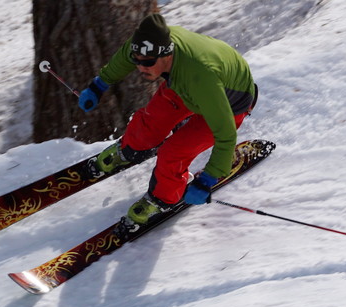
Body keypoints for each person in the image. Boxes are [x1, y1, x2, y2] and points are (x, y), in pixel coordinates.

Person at [78, 13, 258, 228]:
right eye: (138, 61)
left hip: (227, 103)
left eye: (148, 63)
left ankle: (163, 200)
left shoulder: (200, 76)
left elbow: (226, 134)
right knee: (151, 120)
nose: (141, 67)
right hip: (185, 89)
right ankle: (129, 149)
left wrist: (208, 180)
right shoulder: (149, 43)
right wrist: (99, 85)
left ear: (167, 55)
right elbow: (126, 55)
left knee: (173, 152)